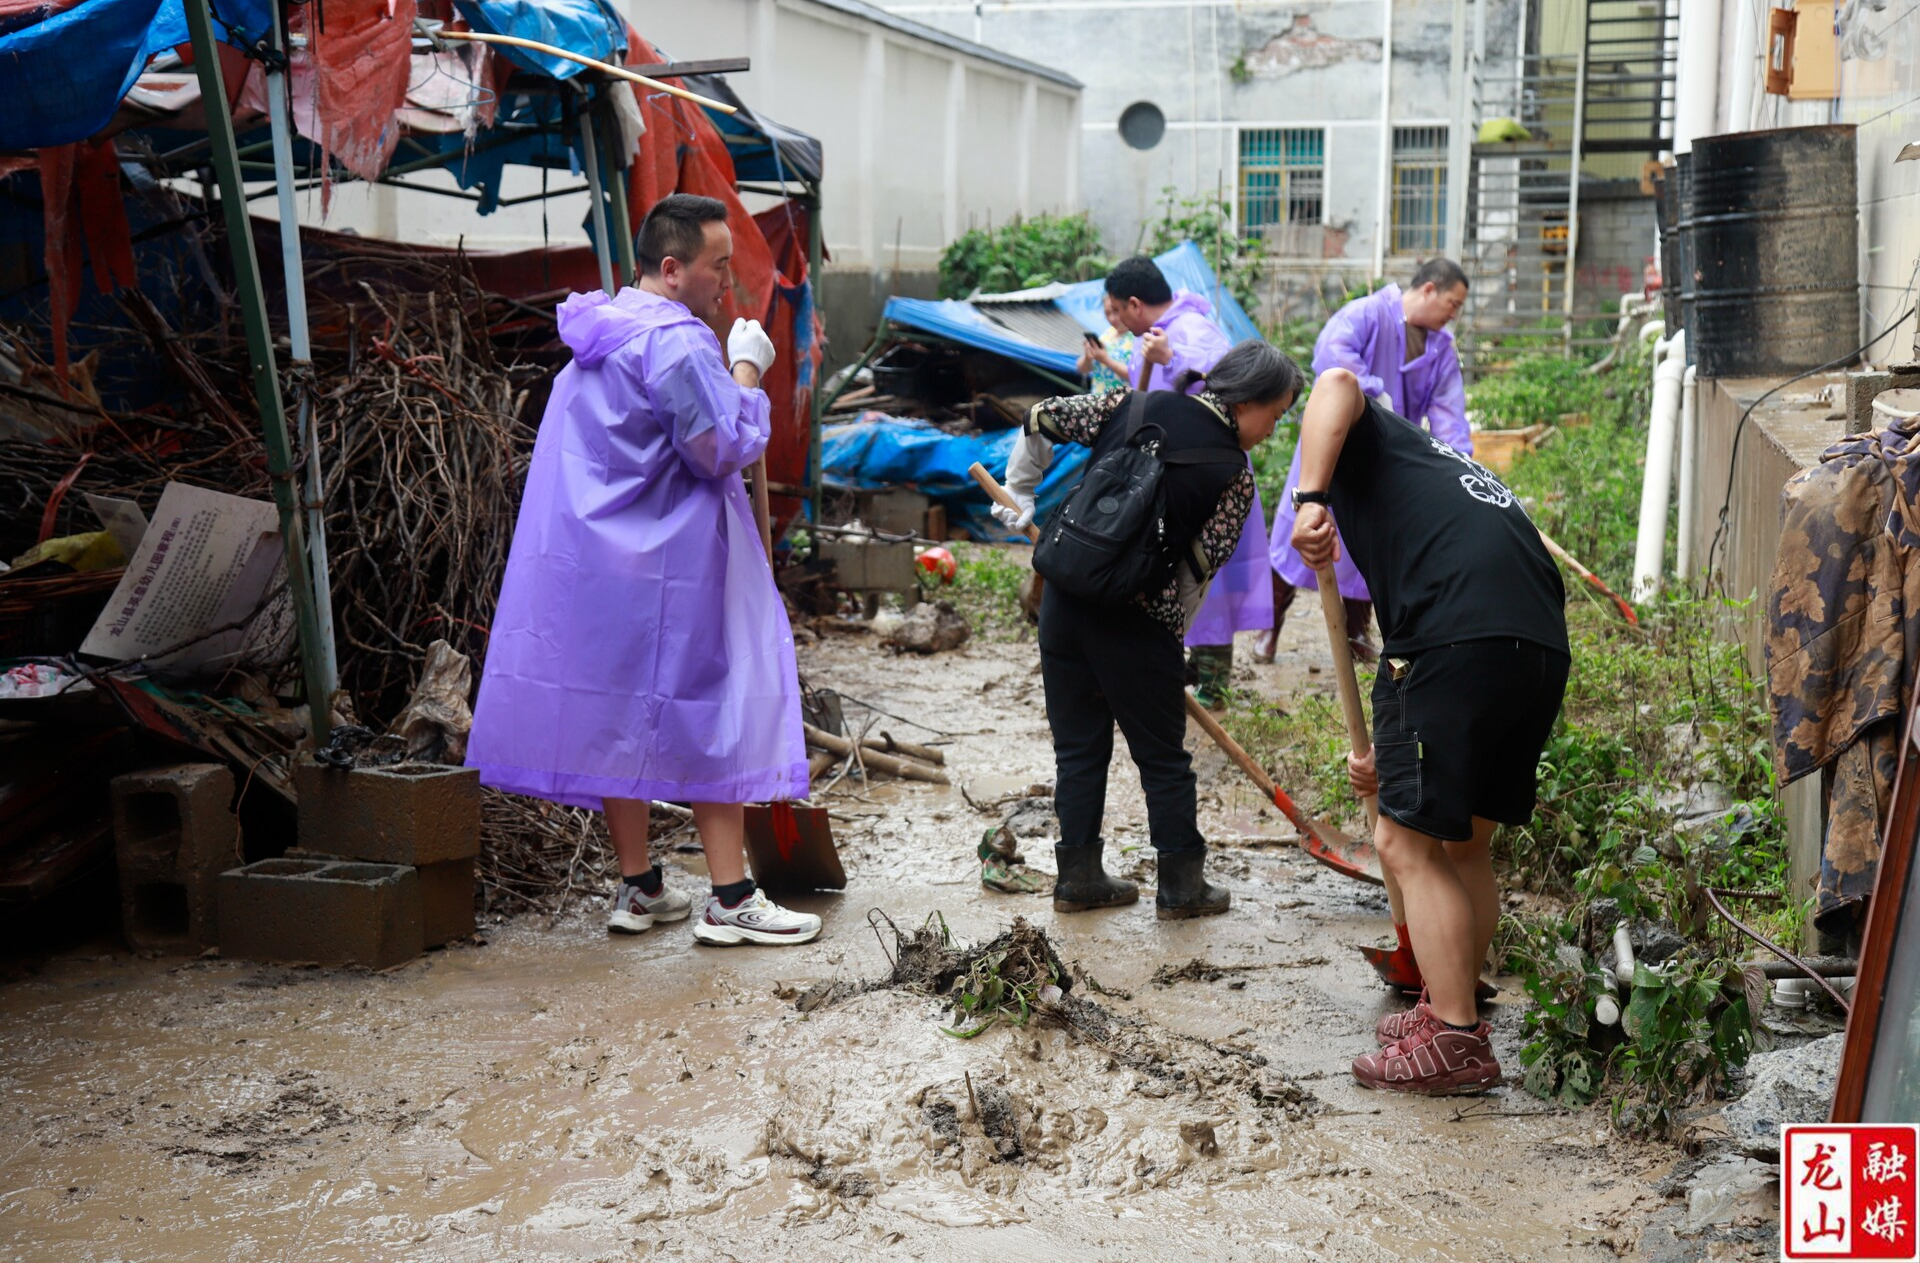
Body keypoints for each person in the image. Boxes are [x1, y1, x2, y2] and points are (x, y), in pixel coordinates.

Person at [467, 193, 822, 948]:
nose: (727, 282)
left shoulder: (597, 333)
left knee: (611, 713)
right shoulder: (679, 344)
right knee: (707, 709)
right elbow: (718, 448)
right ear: (672, 268)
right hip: (671, 569)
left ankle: (639, 884)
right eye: (718, 266)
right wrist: (748, 371)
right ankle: (729, 895)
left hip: (593, 568)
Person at [1288, 365, 1568, 1094]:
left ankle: (1452, 1036)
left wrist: (1311, 497)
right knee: (1465, 841)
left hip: (1455, 637)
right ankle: (1458, 1004)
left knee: (1404, 840)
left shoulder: (1365, 426)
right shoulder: (1433, 468)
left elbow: (1340, 380)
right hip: (1534, 644)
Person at [996, 340, 1303, 919]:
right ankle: (1182, 888)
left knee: (1079, 748)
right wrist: (1167, 642)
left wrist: (1021, 492)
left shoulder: (1132, 406)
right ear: (1248, 401)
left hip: (1063, 598)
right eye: (1277, 414)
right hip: (1135, 620)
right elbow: (1194, 574)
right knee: (1163, 758)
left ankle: (1079, 879)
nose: (1274, 428)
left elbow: (1041, 416)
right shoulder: (1234, 475)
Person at [1261, 258, 1471, 665]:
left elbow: (1449, 411)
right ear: (1428, 289)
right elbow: (1331, 360)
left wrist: (1458, 463)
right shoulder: (1366, 313)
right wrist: (1376, 397)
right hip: (1330, 446)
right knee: (1298, 536)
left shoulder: (1441, 349)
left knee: (1368, 548)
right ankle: (1270, 631)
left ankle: (1357, 635)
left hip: (1384, 460)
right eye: (1452, 302)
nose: (1453, 313)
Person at [1103, 255, 1273, 708]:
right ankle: (1192, 664)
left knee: (1205, 573)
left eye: (1117, 311)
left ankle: (1214, 687)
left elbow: (1232, 396)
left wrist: (1172, 359)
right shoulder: (1167, 333)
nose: (1117, 321)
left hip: (1208, 480)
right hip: (1176, 477)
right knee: (1177, 572)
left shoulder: (1193, 333)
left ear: (1135, 304)